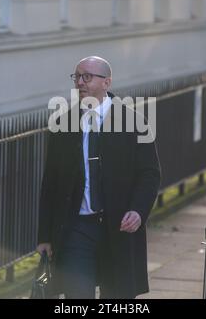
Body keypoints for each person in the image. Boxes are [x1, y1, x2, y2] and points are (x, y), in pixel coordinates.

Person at [37, 56, 161, 299]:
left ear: (107, 82)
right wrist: (44, 236)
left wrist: (138, 210)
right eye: (77, 76)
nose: (80, 83)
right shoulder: (63, 124)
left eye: (87, 77)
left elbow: (150, 173)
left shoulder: (133, 122)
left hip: (118, 227)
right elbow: (50, 183)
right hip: (77, 229)